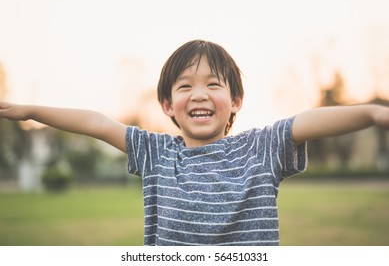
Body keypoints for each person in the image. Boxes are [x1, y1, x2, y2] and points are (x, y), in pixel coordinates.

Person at [0, 40, 388, 246]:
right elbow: (97, 122)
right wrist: (30, 109)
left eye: (213, 84)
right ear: (168, 105)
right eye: (185, 86)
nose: (199, 94)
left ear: (235, 101)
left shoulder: (261, 149)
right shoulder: (155, 153)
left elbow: (307, 122)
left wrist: (373, 113)